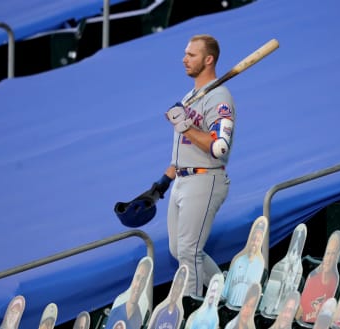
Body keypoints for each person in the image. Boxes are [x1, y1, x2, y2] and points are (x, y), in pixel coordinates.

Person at [150, 34, 236, 298]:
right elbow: (182, 152)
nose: (184, 59)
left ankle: (191, 311)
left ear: (208, 59)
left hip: (205, 179)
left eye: (192, 55)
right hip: (182, 180)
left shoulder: (220, 97)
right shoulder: (190, 96)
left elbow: (220, 147)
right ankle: (226, 293)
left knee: (189, 252)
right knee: (178, 250)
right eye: (186, 54)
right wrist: (160, 185)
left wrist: (185, 125)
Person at [297, 231, 340, 323]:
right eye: (328, 253)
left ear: (338, 256)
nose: (329, 259)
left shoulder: (337, 284)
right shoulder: (312, 278)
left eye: (333, 254)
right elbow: (300, 310)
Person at [222, 218, 266, 307]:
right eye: (253, 239)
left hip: (244, 312)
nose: (255, 243)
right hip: (228, 308)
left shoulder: (260, 265)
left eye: (258, 240)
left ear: (261, 243)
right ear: (250, 240)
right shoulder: (237, 260)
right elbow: (224, 292)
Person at [106, 257, 153, 329]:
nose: (138, 285)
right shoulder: (116, 311)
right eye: (137, 278)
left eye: (143, 280)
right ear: (133, 280)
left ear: (145, 285)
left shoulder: (140, 318)